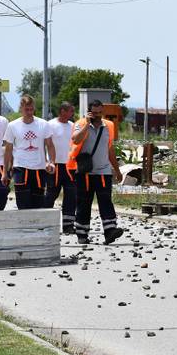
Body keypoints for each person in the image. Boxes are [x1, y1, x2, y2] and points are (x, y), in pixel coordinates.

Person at [68, 99, 124, 245]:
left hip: (103, 171)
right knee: (84, 203)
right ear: (89, 112)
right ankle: (81, 234)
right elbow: (75, 140)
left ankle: (110, 230)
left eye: (100, 113)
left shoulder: (109, 126)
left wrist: (117, 170)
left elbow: (110, 148)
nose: (98, 116)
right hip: (84, 172)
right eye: (95, 113)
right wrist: (87, 123)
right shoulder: (80, 124)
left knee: (106, 200)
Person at [3, 95, 56, 210]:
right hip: (20, 168)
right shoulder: (12, 125)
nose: (29, 112)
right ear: (21, 108)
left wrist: (52, 162)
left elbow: (50, 145)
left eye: (31, 109)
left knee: (38, 203)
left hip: (39, 168)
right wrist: (4, 172)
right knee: (23, 203)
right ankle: (23, 227)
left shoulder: (43, 124)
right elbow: (8, 150)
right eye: (26, 109)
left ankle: (36, 227)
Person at [44, 102, 77, 233]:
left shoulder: (73, 126)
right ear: (63, 111)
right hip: (55, 165)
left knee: (71, 195)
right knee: (51, 194)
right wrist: (47, 162)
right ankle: (46, 222)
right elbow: (44, 145)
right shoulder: (50, 125)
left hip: (70, 166)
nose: (72, 114)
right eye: (70, 111)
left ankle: (68, 225)